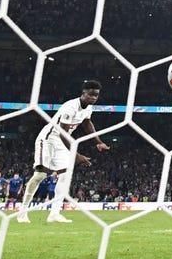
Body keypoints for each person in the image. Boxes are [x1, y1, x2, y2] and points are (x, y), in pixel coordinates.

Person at [17, 80, 110, 223]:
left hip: (61, 142)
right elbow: (62, 133)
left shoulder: (88, 108)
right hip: (48, 139)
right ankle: (22, 213)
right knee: (40, 175)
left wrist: (98, 142)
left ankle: (54, 214)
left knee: (65, 175)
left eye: (96, 95)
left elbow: (86, 123)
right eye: (90, 95)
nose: (93, 98)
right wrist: (77, 156)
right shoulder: (70, 106)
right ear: (83, 93)